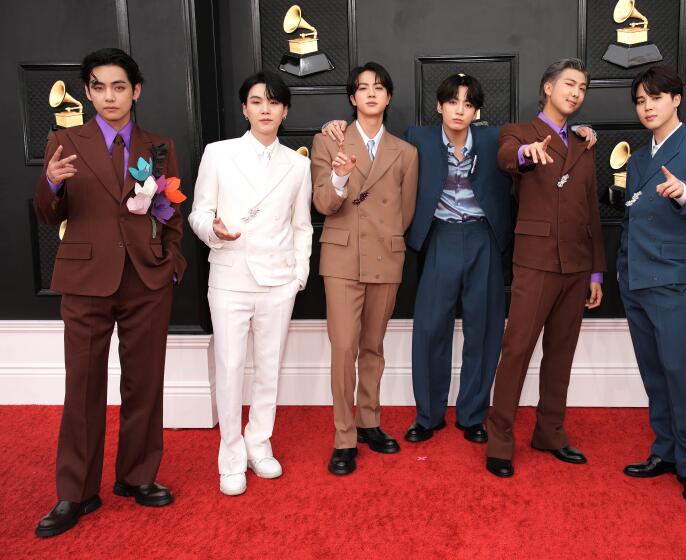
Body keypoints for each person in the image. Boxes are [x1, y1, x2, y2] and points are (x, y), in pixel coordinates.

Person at [321, 77, 596, 446]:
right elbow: (372, 139)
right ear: (440, 106)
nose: (459, 110)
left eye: (468, 104)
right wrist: (332, 124)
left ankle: (472, 415)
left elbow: (532, 137)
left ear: (476, 111)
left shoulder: (492, 137)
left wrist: (578, 130)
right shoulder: (416, 138)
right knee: (430, 330)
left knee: (483, 332)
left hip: (484, 237)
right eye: (452, 102)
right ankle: (428, 415)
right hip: (440, 237)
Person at [33, 48, 187, 537]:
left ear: (135, 91)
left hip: (146, 280)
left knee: (145, 382)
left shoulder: (158, 147)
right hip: (85, 282)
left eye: (118, 87)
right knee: (82, 387)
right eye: (98, 87)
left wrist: (172, 265)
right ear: (88, 91)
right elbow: (47, 214)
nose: (108, 96)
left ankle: (138, 477)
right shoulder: (64, 140)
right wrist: (52, 187)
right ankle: (75, 493)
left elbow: (172, 213)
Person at [188, 71, 312, 496]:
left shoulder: (298, 164)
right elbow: (198, 212)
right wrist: (213, 231)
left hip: (278, 281)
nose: (265, 109)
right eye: (257, 101)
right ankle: (231, 455)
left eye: (273, 102)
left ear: (284, 111)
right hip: (230, 277)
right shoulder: (218, 154)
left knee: (269, 369)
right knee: (229, 368)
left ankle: (260, 444)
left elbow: (302, 225)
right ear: (244, 109)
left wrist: (299, 275)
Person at [485, 58, 606, 478]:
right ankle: (499, 439)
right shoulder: (519, 133)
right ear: (548, 88)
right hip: (534, 261)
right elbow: (506, 157)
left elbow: (591, 211)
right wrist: (524, 154)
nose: (576, 92)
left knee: (561, 353)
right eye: (569, 84)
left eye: (583, 88)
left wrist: (595, 272)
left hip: (576, 265)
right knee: (516, 349)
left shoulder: (584, 144)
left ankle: (550, 433)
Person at [617, 65, 686, 506]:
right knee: (653, 372)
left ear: (676, 99)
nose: (647, 107)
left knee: (677, 371)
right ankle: (663, 451)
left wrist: (683, 192)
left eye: (655, 98)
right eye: (641, 101)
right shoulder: (639, 158)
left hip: (672, 279)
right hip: (635, 277)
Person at [310, 62, 418, 475]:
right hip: (340, 257)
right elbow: (323, 203)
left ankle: (370, 421)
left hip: (385, 255)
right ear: (352, 98)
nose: (371, 94)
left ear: (388, 98)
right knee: (344, 349)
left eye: (379, 88)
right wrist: (339, 180)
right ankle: (344, 436)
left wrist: (384, 237)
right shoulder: (329, 141)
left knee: (373, 347)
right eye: (362, 88)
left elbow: (405, 212)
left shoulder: (406, 153)